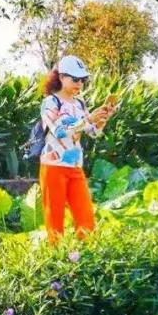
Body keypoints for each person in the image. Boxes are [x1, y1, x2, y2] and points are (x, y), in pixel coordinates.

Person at [40, 55, 119, 242]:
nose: (79, 83)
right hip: (53, 166)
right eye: (75, 79)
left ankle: (86, 259)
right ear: (61, 77)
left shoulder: (79, 103)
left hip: (75, 167)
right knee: (55, 220)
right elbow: (59, 131)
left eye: (82, 80)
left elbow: (92, 132)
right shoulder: (50, 102)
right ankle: (55, 260)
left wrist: (101, 119)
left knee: (86, 219)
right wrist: (88, 120)